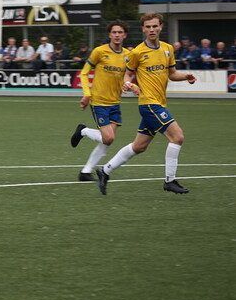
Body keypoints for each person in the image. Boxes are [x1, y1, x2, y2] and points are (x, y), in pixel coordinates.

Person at [96, 12, 196, 195]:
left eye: (154, 26)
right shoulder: (137, 52)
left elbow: (172, 74)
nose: (151, 29)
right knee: (177, 137)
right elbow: (128, 74)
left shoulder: (167, 49)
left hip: (160, 103)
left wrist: (186, 77)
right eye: (147, 27)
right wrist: (128, 83)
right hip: (148, 104)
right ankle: (170, 181)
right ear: (143, 29)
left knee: (139, 146)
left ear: (160, 27)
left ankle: (105, 170)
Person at [70, 22, 131, 182]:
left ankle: (85, 172)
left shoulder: (127, 55)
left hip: (115, 102)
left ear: (124, 35)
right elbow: (84, 73)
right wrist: (87, 94)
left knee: (107, 142)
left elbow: (127, 76)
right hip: (99, 101)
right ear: (109, 34)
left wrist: (128, 84)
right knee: (108, 138)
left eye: (120, 32)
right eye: (114, 32)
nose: (117, 35)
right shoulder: (99, 51)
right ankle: (83, 131)